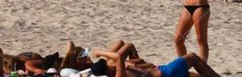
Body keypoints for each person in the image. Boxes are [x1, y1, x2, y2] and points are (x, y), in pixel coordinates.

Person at [93, 39, 222, 77]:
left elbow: (126, 46)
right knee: (193, 57)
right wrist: (100, 52)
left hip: (162, 70)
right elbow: (117, 56)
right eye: (109, 65)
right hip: (166, 73)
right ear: (107, 70)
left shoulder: (117, 72)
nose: (112, 64)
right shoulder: (118, 76)